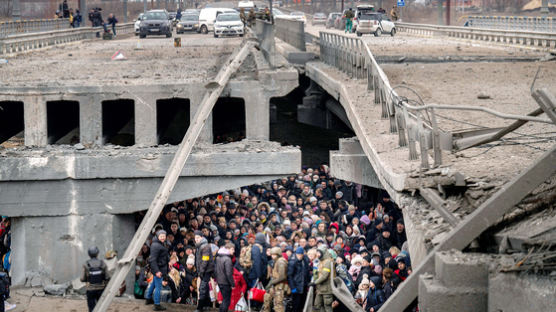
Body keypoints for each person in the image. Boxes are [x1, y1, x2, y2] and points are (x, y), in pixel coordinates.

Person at [145, 230, 169, 311]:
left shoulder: (159, 243)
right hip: (159, 269)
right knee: (158, 287)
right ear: (158, 236)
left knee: (154, 284)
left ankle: (148, 298)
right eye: (161, 236)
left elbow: (162, 256)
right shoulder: (156, 245)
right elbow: (153, 260)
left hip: (160, 267)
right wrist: (157, 271)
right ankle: (157, 304)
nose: (163, 237)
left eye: (164, 236)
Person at [80, 246, 109, 312]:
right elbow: (107, 277)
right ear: (97, 253)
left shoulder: (86, 264)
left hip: (90, 290)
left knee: (91, 308)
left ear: (89, 254)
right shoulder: (103, 263)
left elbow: (82, 279)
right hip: (101, 289)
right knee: (101, 307)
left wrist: (87, 279)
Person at [263, 247, 288, 312]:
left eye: (274, 255)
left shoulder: (281, 262)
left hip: (280, 286)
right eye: (272, 254)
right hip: (276, 285)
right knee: (267, 299)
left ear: (278, 254)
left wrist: (272, 283)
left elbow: (282, 277)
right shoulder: (276, 261)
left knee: (278, 305)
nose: (272, 256)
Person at [194, 231, 215, 312]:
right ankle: (206, 305)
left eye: (198, 238)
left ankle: (199, 307)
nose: (196, 239)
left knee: (202, 288)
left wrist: (201, 271)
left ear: (202, 237)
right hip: (204, 270)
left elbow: (205, 260)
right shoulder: (199, 246)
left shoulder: (205, 246)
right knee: (205, 287)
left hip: (206, 270)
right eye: (195, 238)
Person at [309, 246, 333, 312]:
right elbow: (317, 273)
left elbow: (324, 276)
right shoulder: (321, 262)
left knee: (327, 306)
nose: (318, 254)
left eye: (319, 252)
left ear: (324, 253)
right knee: (318, 306)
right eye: (317, 253)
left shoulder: (328, 262)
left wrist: (315, 282)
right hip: (320, 289)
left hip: (327, 289)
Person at [287, 247, 310, 312]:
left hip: (304, 285)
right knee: (296, 305)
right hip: (296, 286)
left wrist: (307, 282)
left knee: (302, 304)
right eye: (298, 254)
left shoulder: (305, 261)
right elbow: (289, 276)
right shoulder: (292, 262)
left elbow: (307, 272)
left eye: (300, 254)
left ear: (303, 254)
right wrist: (293, 287)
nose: (299, 256)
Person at [215, 243, 235, 312]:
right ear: (228, 249)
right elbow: (229, 273)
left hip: (220, 281)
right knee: (226, 301)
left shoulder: (218, 257)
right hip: (225, 282)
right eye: (232, 249)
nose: (234, 251)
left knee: (224, 300)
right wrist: (232, 284)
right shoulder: (227, 259)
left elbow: (216, 270)